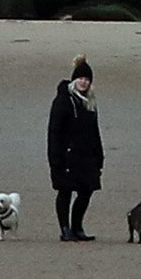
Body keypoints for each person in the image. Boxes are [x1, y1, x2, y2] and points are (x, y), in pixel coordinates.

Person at [45, 59, 105, 241]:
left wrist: (99, 156)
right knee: (65, 191)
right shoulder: (63, 101)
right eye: (80, 78)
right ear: (74, 80)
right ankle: (65, 229)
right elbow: (54, 131)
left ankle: (77, 226)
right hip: (65, 156)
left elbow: (95, 132)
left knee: (86, 191)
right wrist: (55, 159)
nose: (84, 82)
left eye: (87, 79)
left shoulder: (90, 103)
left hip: (86, 157)